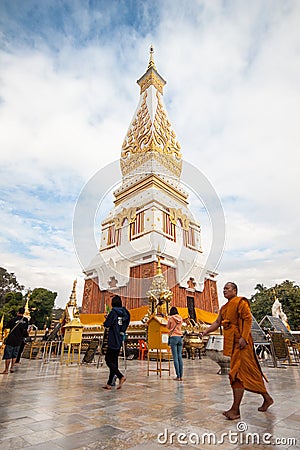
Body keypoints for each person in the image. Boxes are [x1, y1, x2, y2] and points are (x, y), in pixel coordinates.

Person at [201, 282, 273, 420]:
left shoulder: (241, 302)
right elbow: (217, 323)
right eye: (223, 289)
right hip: (233, 343)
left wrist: (244, 337)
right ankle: (267, 398)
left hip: (242, 344)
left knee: (236, 374)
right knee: (251, 373)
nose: (224, 291)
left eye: (227, 288)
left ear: (235, 290)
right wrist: (205, 332)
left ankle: (235, 410)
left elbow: (248, 320)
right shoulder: (224, 308)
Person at [102, 295, 130, 390]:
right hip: (120, 338)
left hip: (113, 338)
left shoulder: (113, 312)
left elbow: (107, 324)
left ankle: (120, 376)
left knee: (108, 360)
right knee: (114, 361)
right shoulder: (125, 312)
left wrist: (106, 319)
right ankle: (110, 383)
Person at [2, 307, 29, 374]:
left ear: (18, 312)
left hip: (11, 340)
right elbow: (26, 329)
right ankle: (12, 368)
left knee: (8, 355)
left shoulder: (13, 320)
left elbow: (7, 326)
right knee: (15, 355)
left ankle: (6, 370)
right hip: (19, 340)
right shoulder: (25, 320)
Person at [167, 306, 183, 381]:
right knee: (180, 357)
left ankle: (178, 376)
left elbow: (168, 327)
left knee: (175, 357)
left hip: (173, 337)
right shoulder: (180, 318)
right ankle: (181, 376)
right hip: (180, 337)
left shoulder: (171, 318)